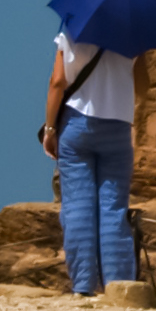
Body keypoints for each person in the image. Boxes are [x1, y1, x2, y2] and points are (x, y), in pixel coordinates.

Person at [42, 26, 139, 296]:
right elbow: (142, 83)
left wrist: (50, 129)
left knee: (77, 207)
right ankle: (120, 287)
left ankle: (83, 286)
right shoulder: (133, 32)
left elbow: (57, 82)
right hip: (118, 125)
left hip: (77, 123)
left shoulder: (72, 28)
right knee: (113, 208)